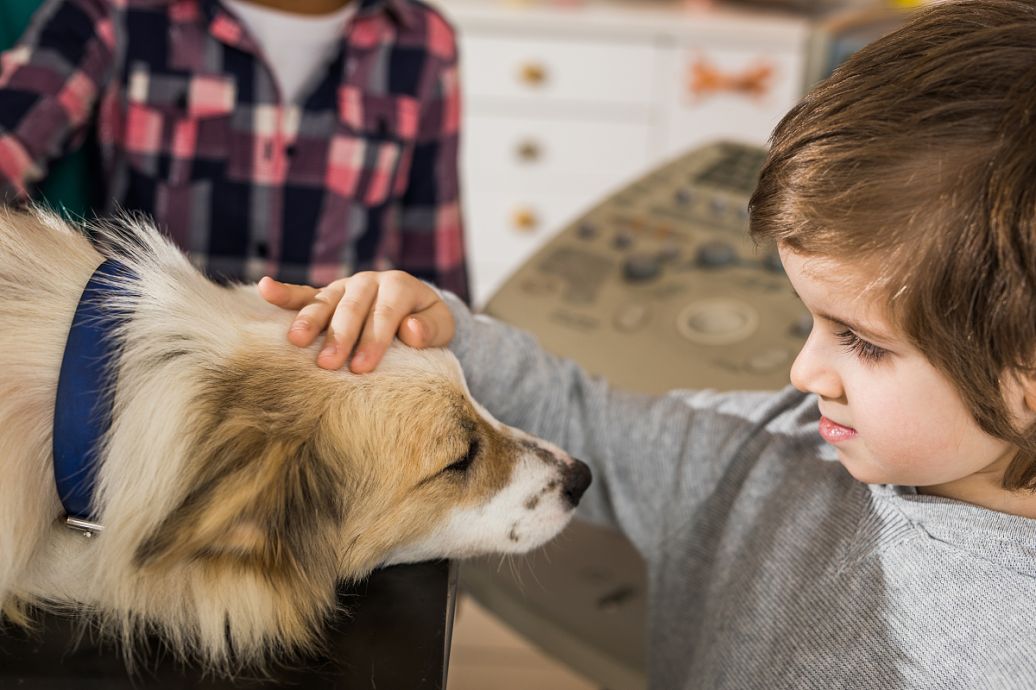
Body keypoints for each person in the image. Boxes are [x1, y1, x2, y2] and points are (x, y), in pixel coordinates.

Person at [268, 0, 1036, 686]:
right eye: (812, 321)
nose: (803, 371)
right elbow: (584, 416)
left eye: (861, 343)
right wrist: (441, 333)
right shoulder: (767, 452)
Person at [0, 0, 469, 301]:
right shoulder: (115, 13)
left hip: (339, 393)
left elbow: (436, 276)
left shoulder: (425, 44)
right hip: (148, 386)